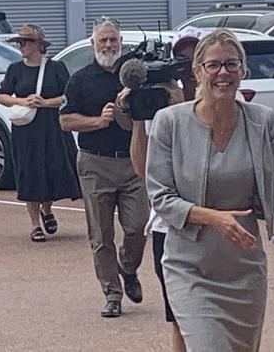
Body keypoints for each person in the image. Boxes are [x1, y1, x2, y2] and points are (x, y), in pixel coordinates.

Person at [145, 28, 274, 351]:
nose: (223, 73)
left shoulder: (263, 121)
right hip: (190, 266)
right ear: (197, 72)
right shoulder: (169, 122)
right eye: (213, 65)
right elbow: (160, 197)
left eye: (231, 64)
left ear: (243, 70)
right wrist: (215, 218)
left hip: (244, 269)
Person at [117, 26, 205, 352]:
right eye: (181, 62)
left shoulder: (226, 102)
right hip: (168, 227)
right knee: (180, 319)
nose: (189, 71)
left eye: (195, 61)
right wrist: (138, 114)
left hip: (212, 223)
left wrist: (185, 108)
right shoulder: (160, 102)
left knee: (216, 318)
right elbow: (142, 169)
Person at [59, 17, 148, 317]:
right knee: (101, 234)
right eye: (103, 40)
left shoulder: (134, 76)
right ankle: (112, 294)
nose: (108, 45)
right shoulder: (80, 79)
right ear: (92, 44)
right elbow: (64, 120)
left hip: (133, 162)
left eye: (113, 40)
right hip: (95, 163)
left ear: (120, 42)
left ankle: (128, 267)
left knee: (137, 228)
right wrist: (97, 121)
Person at [0, 24, 80, 242]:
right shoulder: (15, 69)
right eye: (20, 42)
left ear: (38, 45)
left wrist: (45, 102)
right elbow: (2, 96)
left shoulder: (56, 68)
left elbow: (68, 96)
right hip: (26, 131)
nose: (21, 46)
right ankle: (35, 224)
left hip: (51, 127)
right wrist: (22, 100)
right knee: (30, 172)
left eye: (26, 42)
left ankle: (47, 208)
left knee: (52, 169)